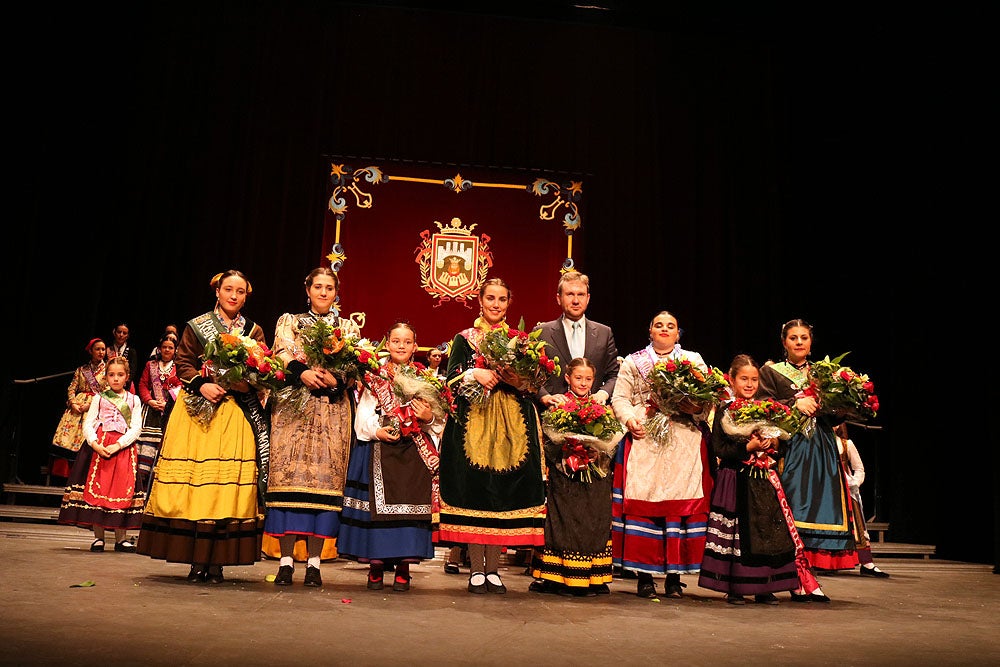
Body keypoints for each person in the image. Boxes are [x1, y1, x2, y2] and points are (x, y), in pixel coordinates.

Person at [138, 270, 269, 584]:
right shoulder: (197, 326)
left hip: (236, 412)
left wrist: (249, 378)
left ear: (246, 296)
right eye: (228, 290)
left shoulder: (254, 330)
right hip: (199, 412)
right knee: (196, 485)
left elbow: (265, 366)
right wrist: (202, 384)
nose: (233, 296)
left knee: (226, 488)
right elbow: (183, 363)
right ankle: (195, 560)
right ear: (217, 292)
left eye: (240, 291)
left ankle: (219, 562)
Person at [438, 278, 546, 594]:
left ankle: (494, 570)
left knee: (502, 492)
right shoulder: (465, 338)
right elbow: (451, 379)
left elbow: (533, 384)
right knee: (476, 491)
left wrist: (518, 377)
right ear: (480, 301)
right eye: (490, 298)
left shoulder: (521, 341)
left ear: (509, 302)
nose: (496, 304)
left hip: (512, 423)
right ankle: (475, 569)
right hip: (475, 421)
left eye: (501, 299)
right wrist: (475, 373)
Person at [697, 354, 824, 604]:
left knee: (766, 530)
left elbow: (784, 443)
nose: (749, 384)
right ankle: (735, 587)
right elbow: (720, 449)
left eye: (754, 379)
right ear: (732, 380)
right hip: (735, 480)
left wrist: (773, 443)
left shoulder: (769, 408)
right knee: (737, 533)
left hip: (764, 479)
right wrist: (748, 446)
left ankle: (765, 587)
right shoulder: (724, 410)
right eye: (744, 379)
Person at [264, 267, 358, 587]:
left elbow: (354, 364)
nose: (322, 292)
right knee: (290, 483)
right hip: (294, 407)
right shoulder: (289, 320)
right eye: (317, 286)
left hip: (332, 410)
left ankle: (315, 563)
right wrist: (302, 372)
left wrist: (337, 379)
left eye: (329, 288)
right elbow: (282, 353)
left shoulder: (347, 327)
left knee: (324, 484)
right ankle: (286, 561)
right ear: (307, 290)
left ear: (336, 292)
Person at [610, 310, 715, 599]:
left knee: (677, 508)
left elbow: (707, 398)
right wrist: (630, 419)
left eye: (671, 326)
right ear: (650, 331)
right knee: (645, 504)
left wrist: (694, 408)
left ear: (678, 333)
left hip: (683, 440)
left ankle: (673, 577)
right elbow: (620, 398)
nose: (665, 329)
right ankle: (644, 576)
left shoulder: (692, 361)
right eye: (659, 325)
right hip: (646, 439)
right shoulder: (634, 361)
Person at [338, 321, 443, 592]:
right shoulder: (375, 377)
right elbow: (362, 416)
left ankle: (403, 569)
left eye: (407, 341)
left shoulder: (425, 379)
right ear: (387, 344)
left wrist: (428, 416)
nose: (401, 346)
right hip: (380, 447)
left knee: (409, 510)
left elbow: (438, 421)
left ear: (415, 346)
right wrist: (377, 432)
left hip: (413, 452)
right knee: (376, 511)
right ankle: (375, 566)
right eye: (396, 340)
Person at [758, 318, 859, 594]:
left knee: (818, 509)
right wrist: (794, 403)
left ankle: (807, 575)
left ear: (811, 343)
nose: (799, 342)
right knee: (793, 509)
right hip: (791, 448)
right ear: (784, 343)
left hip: (822, 449)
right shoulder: (772, 373)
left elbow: (838, 414)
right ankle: (795, 576)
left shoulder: (825, 373)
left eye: (804, 337)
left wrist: (836, 403)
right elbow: (764, 405)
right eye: (793, 338)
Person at [530, 357, 619, 597]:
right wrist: (568, 450)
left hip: (595, 474)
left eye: (588, 379)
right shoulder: (557, 406)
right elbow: (547, 441)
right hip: (565, 474)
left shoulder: (602, 407)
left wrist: (596, 450)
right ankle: (556, 577)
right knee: (564, 521)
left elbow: (611, 440)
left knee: (594, 521)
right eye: (578, 378)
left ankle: (593, 577)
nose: (583, 383)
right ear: (568, 378)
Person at [57, 356, 144, 553]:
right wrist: (94, 444)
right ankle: (99, 537)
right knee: (99, 489)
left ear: (127, 377)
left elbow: (136, 427)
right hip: (99, 449)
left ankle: (121, 538)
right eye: (111, 375)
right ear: (106, 377)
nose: (115, 379)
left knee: (122, 490)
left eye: (120, 375)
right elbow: (89, 423)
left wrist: (120, 444)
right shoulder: (99, 398)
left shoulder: (134, 400)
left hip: (122, 450)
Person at [534, 270, 619, 408]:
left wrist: (603, 393)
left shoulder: (604, 333)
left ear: (588, 298)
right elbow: (530, 376)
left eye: (581, 295)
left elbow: (614, 375)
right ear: (558, 298)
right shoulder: (542, 333)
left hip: (594, 416)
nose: (575, 300)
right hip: (551, 415)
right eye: (569, 294)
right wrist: (545, 396)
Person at [835, 422, 890, 578]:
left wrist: (854, 482)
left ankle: (867, 563)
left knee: (857, 527)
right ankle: (828, 563)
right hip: (825, 493)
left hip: (846, 491)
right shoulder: (818, 446)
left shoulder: (846, 444)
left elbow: (859, 468)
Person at [49, 338, 108, 482]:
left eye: (103, 349)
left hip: (96, 406)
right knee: (67, 436)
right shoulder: (82, 370)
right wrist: (73, 403)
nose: (101, 352)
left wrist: (92, 404)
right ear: (90, 351)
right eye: (97, 349)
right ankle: (64, 475)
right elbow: (72, 388)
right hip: (77, 407)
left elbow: (108, 390)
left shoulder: (108, 370)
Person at [135, 333, 181, 495]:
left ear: (175, 350)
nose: (167, 350)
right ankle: (139, 485)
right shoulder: (150, 365)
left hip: (169, 412)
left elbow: (181, 387)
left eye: (170, 347)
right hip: (150, 412)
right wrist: (149, 400)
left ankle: (155, 487)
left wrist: (168, 404)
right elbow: (142, 384)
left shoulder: (178, 367)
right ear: (159, 349)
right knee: (143, 447)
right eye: (164, 347)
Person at [107, 322, 140, 393]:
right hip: (107, 385)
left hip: (126, 386)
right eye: (119, 332)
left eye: (124, 333)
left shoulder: (131, 352)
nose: (121, 335)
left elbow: (132, 372)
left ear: (128, 336)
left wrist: (122, 383)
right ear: (114, 332)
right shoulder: (107, 349)